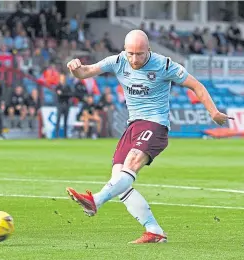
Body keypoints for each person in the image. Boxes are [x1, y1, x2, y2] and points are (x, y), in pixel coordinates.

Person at [65, 30, 233, 244]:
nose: (134, 59)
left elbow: (196, 86)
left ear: (149, 51)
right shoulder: (117, 61)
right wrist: (75, 68)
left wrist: (213, 112)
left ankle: (95, 200)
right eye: (131, 54)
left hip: (156, 124)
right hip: (133, 126)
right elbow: (86, 72)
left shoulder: (164, 65)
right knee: (119, 181)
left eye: (140, 54)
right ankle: (154, 230)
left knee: (131, 163)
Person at [55, 73, 72, 138]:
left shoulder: (67, 86)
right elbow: (59, 95)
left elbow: (70, 94)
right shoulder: (58, 86)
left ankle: (65, 135)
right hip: (60, 104)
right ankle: (57, 135)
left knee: (65, 120)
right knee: (58, 120)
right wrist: (65, 94)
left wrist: (63, 94)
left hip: (66, 104)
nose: (63, 79)